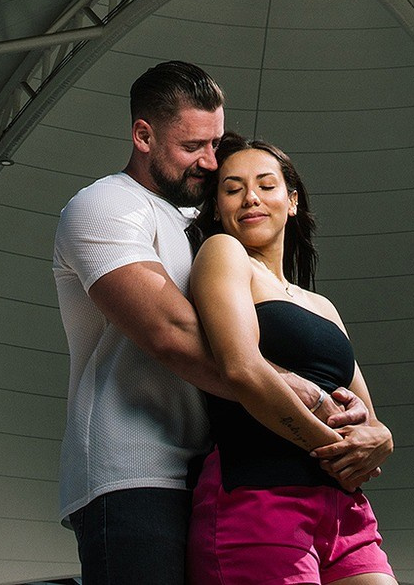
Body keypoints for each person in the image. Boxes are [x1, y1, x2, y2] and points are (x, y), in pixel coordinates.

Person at [52, 62, 392, 584]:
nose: (211, 162)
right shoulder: (106, 204)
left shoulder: (206, 228)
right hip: (135, 473)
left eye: (215, 143)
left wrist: (374, 430)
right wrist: (299, 394)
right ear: (143, 135)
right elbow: (173, 332)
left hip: (221, 469)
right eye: (194, 146)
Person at [187, 135, 398, 585]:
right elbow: (240, 368)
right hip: (260, 497)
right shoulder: (225, 255)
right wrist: (334, 450)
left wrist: (383, 440)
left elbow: (370, 420)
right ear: (218, 208)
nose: (250, 198)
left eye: (266, 185)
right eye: (232, 189)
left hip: (345, 510)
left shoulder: (322, 306)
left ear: (293, 200)